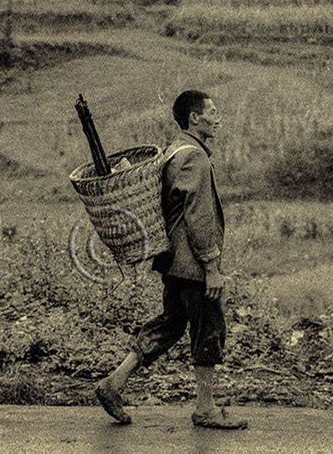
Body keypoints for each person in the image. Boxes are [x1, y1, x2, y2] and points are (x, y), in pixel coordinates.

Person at [95, 90, 248, 430]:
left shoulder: (172, 152)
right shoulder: (195, 158)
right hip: (193, 265)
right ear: (195, 118)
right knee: (208, 328)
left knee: (171, 323)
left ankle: (113, 383)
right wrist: (211, 268)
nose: (218, 117)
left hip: (172, 262)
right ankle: (205, 408)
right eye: (212, 111)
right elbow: (199, 217)